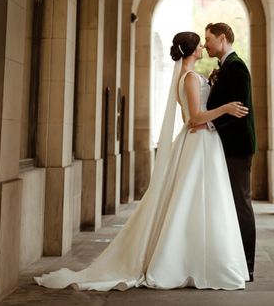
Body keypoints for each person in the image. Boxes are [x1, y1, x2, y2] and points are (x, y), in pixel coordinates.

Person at [35, 31, 250, 291]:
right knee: (196, 199)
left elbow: (188, 119)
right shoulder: (191, 78)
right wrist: (225, 109)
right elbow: (193, 118)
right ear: (192, 50)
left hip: (201, 140)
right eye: (200, 43)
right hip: (199, 143)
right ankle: (190, 261)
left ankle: (199, 258)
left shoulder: (184, 78)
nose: (204, 46)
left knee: (198, 200)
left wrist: (207, 119)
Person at [198, 22, 257, 281]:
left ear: (222, 39)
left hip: (237, 147)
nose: (206, 44)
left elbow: (239, 109)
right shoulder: (225, 68)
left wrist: (209, 122)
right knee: (230, 203)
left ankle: (247, 264)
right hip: (226, 145)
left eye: (209, 39)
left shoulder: (237, 66)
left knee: (241, 202)